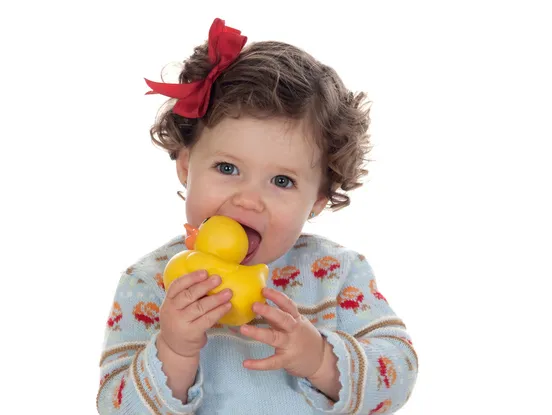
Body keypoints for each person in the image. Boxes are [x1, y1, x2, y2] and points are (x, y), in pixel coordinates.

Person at [97, 18, 418, 414]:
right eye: (228, 168)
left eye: (282, 180)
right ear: (185, 165)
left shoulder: (336, 273)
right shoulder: (150, 282)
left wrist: (319, 358)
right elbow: (116, 407)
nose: (249, 201)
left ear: (317, 199)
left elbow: (399, 372)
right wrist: (174, 349)